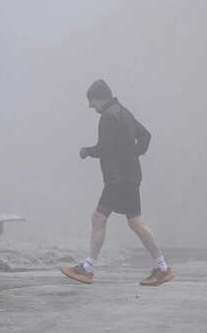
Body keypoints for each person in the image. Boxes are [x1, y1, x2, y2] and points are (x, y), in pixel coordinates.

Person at [61, 79, 174, 286]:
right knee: (129, 222)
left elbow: (105, 148)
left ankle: (88, 269)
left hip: (118, 180)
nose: (90, 106)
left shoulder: (108, 117)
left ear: (99, 98)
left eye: (91, 101)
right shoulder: (123, 111)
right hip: (128, 177)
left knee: (103, 219)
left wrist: (87, 152)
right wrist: (133, 156)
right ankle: (162, 268)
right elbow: (145, 136)